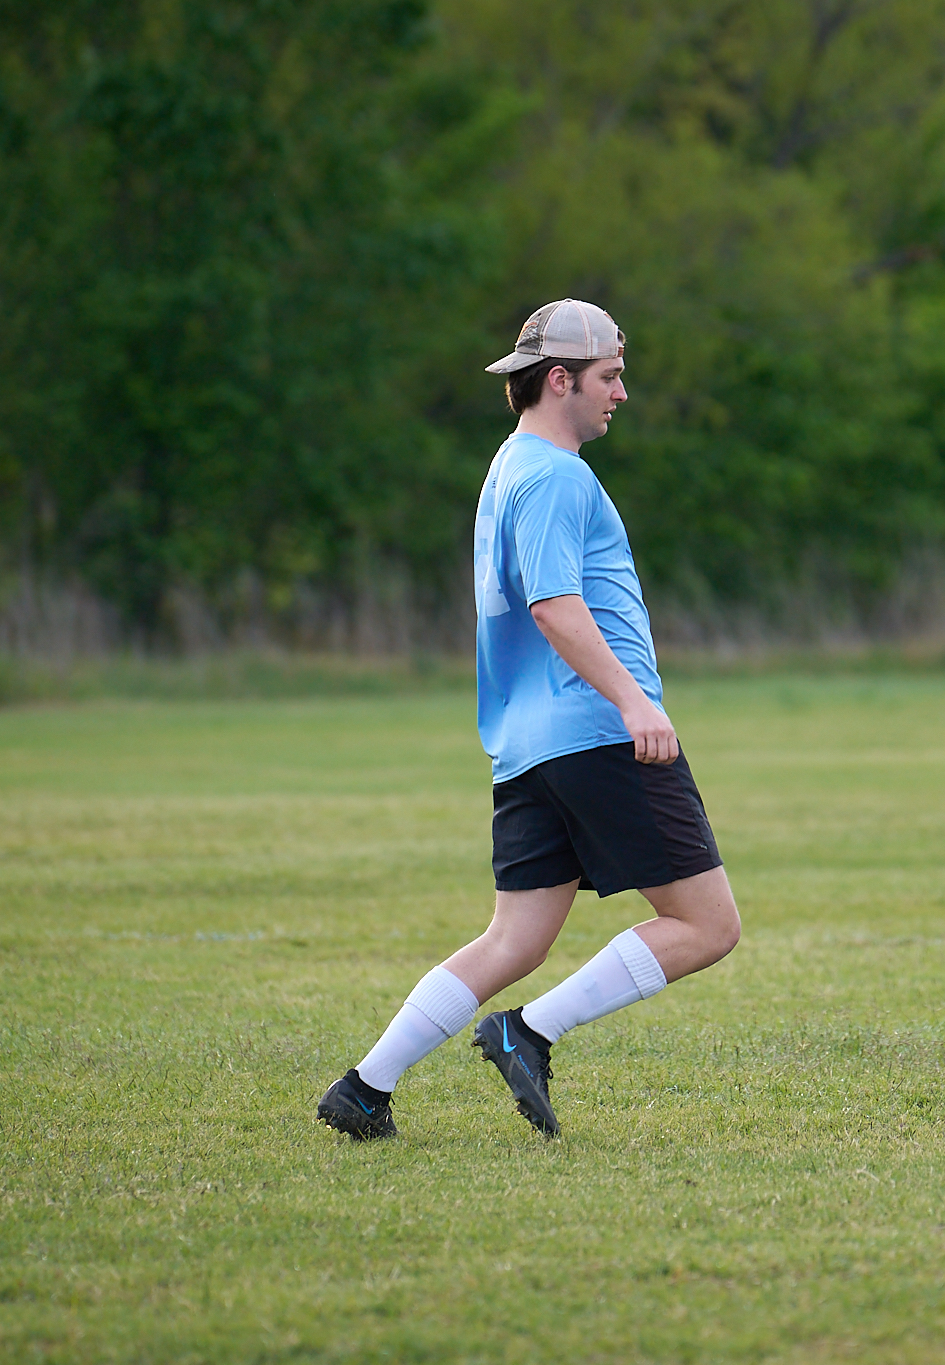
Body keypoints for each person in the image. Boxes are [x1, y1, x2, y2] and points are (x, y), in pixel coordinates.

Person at [316, 299, 741, 1141]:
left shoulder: (509, 466)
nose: (621, 393)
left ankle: (364, 1088)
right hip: (596, 732)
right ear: (559, 380)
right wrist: (634, 700)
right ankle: (530, 1030)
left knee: (513, 939)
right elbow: (554, 606)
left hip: (528, 744)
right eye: (609, 376)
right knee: (708, 924)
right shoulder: (554, 475)